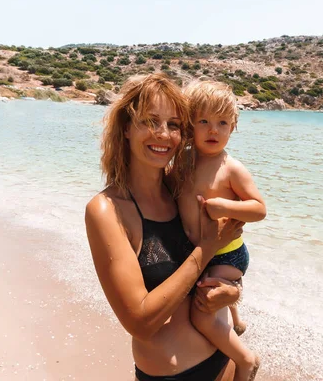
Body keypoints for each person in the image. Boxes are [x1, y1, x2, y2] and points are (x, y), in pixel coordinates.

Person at [85, 74, 245, 381]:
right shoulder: (108, 210)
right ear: (127, 127)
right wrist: (205, 248)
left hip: (225, 362)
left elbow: (224, 262)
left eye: (174, 124)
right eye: (150, 121)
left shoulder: (182, 191)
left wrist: (232, 292)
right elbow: (141, 322)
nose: (163, 134)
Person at [178, 81, 266, 381]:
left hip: (227, 255)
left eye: (222, 123)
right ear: (190, 124)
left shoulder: (231, 169)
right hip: (198, 252)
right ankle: (234, 324)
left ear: (234, 127)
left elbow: (258, 209)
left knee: (201, 314)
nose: (213, 130)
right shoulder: (182, 161)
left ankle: (245, 360)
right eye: (203, 121)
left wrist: (223, 207)